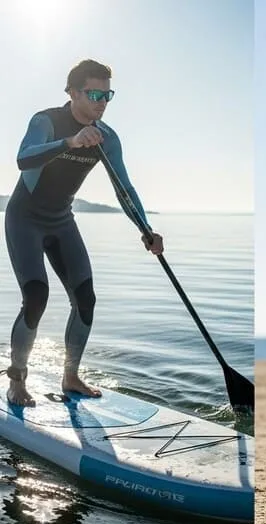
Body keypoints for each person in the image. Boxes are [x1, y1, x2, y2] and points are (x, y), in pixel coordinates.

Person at [7, 59, 163, 407]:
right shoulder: (46, 120)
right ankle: (16, 379)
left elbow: (124, 187)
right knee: (36, 297)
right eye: (94, 94)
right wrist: (71, 142)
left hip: (61, 221)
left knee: (86, 300)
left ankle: (70, 376)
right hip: (24, 220)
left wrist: (146, 229)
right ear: (73, 92)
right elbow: (23, 158)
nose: (101, 102)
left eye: (107, 94)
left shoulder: (107, 138)